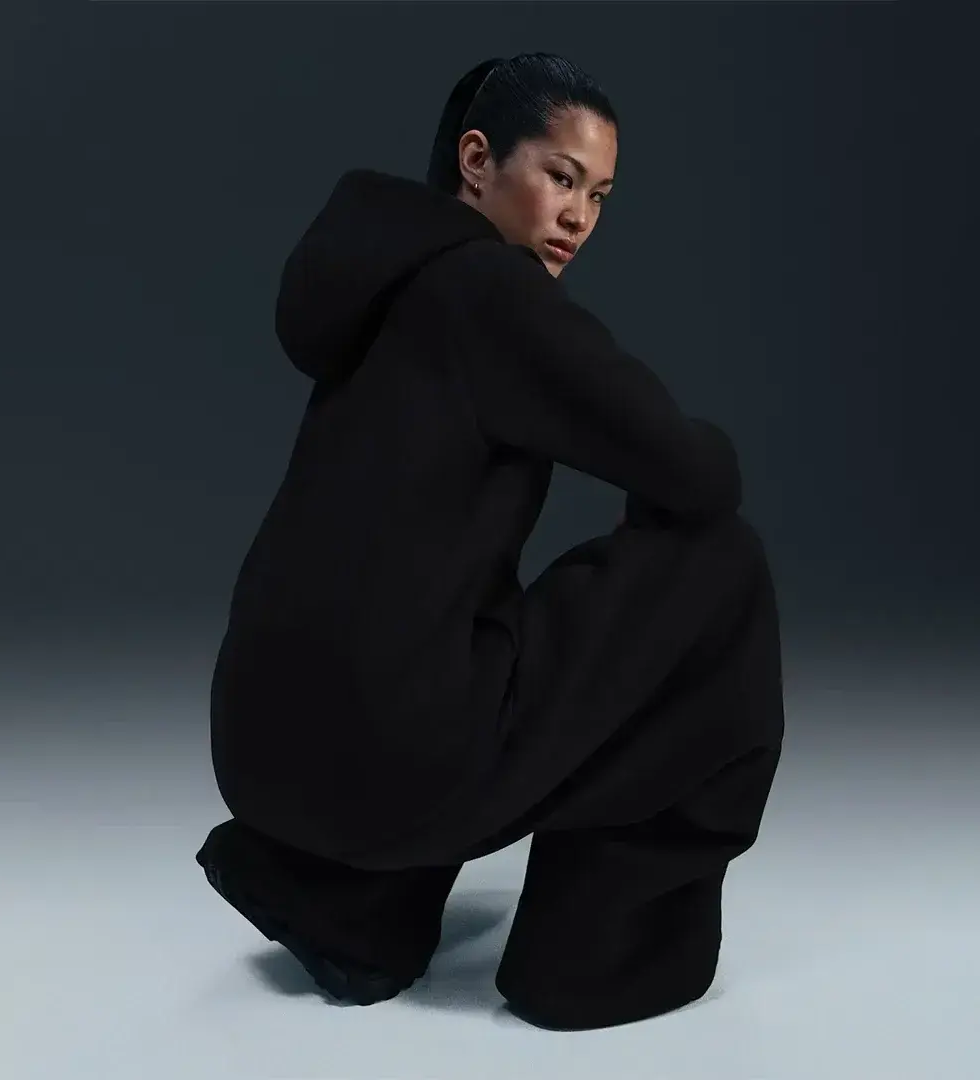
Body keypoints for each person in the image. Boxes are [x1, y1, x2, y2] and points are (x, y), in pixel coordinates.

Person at [195, 52, 785, 1032]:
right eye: (560, 177)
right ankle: (592, 960)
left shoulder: (381, 289)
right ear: (477, 161)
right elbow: (694, 474)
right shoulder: (490, 292)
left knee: (449, 623)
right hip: (386, 771)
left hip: (256, 752)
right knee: (720, 566)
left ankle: (350, 911)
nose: (578, 217)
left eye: (599, 196)